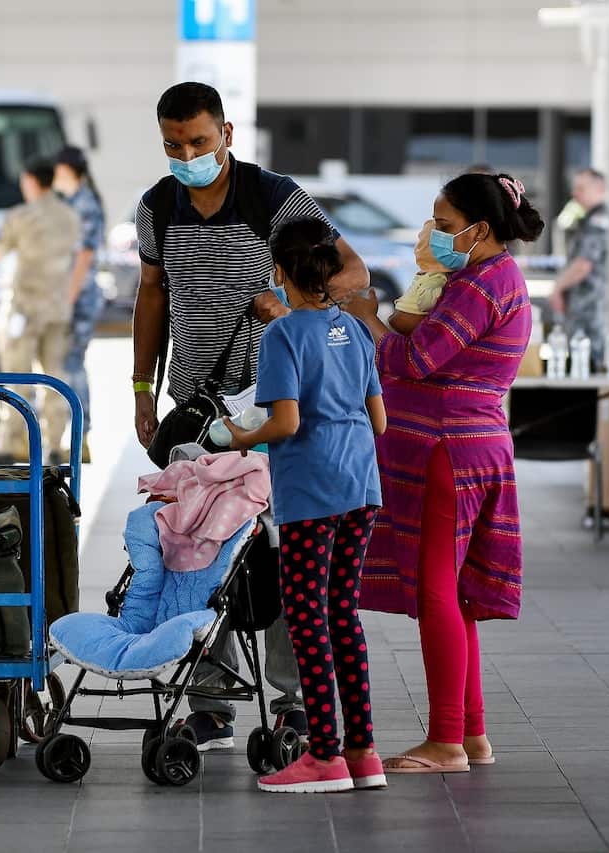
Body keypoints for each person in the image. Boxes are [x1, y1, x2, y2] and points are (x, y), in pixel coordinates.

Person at [131, 81, 370, 750]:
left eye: (199, 142)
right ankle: (211, 700)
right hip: (199, 412)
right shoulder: (156, 207)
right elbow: (150, 294)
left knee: (280, 552)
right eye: (174, 145)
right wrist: (142, 387)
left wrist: (289, 304)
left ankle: (294, 702)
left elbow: (351, 273)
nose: (187, 156)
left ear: (227, 134)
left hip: (278, 408)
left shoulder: (274, 198)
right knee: (194, 546)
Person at [345, 172, 544, 773]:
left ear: (479, 229)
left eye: (444, 223)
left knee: (436, 592)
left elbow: (416, 358)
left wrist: (367, 318)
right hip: (468, 444)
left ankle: (446, 741)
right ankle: (471, 734)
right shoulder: (487, 277)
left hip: (447, 448)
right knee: (455, 597)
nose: (432, 232)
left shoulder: (481, 285)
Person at [224, 216, 387, 793]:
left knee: (306, 615)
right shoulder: (357, 329)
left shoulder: (282, 335)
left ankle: (323, 755)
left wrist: (242, 437)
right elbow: (378, 420)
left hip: (311, 489)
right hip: (361, 484)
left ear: (279, 272)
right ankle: (362, 754)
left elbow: (286, 422)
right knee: (343, 613)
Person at [0, 157, 82, 465]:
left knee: (17, 377)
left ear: (30, 181)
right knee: (55, 377)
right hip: (58, 309)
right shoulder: (70, 216)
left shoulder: (20, 216)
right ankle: (55, 445)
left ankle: (8, 445)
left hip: (24, 309)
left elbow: (0, 252)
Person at [52, 145, 105, 463]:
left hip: (78, 297)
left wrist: (68, 298)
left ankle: (81, 434)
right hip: (70, 295)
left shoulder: (85, 204)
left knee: (72, 364)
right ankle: (73, 435)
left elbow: (84, 256)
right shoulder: (71, 202)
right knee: (65, 365)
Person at [551, 168, 609, 369]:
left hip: (589, 313)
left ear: (599, 189)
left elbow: (583, 265)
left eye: (581, 188)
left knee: (586, 368)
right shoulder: (588, 219)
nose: (575, 193)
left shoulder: (598, 221)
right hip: (583, 310)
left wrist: (558, 288)